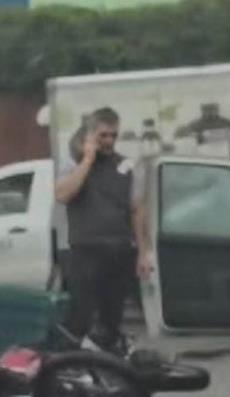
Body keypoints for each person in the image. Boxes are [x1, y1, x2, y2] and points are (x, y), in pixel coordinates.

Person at [54, 107, 152, 353]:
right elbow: (63, 194)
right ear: (90, 136)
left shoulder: (126, 166)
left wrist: (143, 252)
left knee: (111, 319)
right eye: (103, 136)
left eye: (113, 136)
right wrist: (87, 159)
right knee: (80, 318)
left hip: (119, 250)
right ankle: (70, 365)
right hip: (84, 251)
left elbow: (137, 209)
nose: (109, 141)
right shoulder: (73, 163)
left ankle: (108, 367)